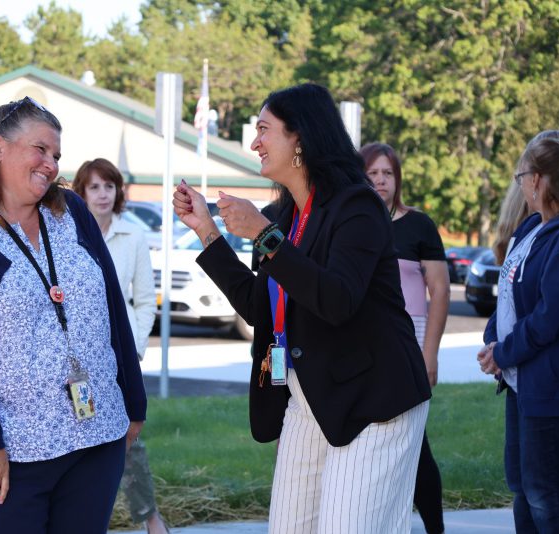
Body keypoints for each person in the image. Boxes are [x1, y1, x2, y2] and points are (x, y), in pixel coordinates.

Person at [173, 83, 431, 533]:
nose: (254, 142)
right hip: (309, 394)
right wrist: (208, 233)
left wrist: (262, 235)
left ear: (301, 139)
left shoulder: (357, 206)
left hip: (374, 400)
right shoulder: (286, 217)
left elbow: (337, 300)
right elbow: (260, 307)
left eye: (263, 130)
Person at [0, 96, 147, 533]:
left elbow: (111, 304)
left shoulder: (71, 211)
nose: (51, 163)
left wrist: (134, 401)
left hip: (94, 438)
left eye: (56, 154)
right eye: (40, 149)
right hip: (8, 453)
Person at [478, 135, 559, 533]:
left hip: (551, 384)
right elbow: (512, 295)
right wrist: (492, 340)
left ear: (540, 180)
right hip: (522, 381)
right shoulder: (534, 226)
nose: (519, 184)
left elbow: (552, 316)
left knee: (545, 491)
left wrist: (505, 352)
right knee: (522, 487)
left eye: (522, 175)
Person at [71, 158, 169, 534]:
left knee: (129, 437)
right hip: (78, 360)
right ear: (81, 192)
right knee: (83, 434)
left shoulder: (133, 237)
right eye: (94, 187)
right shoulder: (66, 234)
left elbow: (145, 301)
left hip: (120, 359)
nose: (102, 194)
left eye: (108, 186)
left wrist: (136, 348)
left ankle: (149, 517)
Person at [360, 142, 449, 534]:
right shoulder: (351, 223)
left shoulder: (419, 226)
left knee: (414, 444)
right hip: (362, 341)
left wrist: (429, 354)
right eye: (372, 174)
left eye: (387, 174)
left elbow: (441, 291)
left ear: (397, 179)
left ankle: (434, 528)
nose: (381, 181)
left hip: (408, 338)